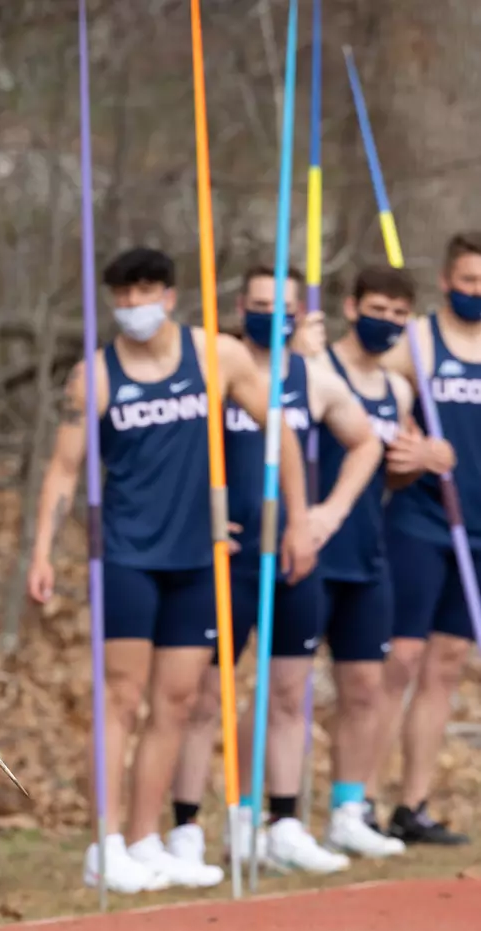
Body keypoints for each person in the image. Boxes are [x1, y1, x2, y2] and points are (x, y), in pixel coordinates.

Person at [29, 246, 315, 894]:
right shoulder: (94, 376)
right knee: (121, 698)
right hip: (129, 556)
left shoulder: (218, 357)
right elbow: (63, 470)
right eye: (122, 296)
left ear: (169, 293)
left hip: (199, 558)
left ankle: (143, 837)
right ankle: (103, 845)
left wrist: (298, 519)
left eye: (145, 292)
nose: (133, 306)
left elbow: (283, 437)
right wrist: (43, 549)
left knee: (178, 701)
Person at [167, 264, 382, 877]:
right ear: (241, 306)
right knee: (206, 696)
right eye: (260, 304)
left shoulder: (312, 379)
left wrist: (323, 517)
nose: (272, 316)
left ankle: (282, 822)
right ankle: (186, 828)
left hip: (291, 557)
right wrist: (197, 522)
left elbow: (366, 444)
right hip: (220, 558)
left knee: (290, 693)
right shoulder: (214, 369)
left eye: (284, 307)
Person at [308, 265, 425, 858]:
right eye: (378, 309)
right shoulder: (316, 368)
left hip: (367, 552)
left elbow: (394, 473)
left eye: (401, 314)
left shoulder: (399, 390)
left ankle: (348, 809)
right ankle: (262, 813)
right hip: (310, 549)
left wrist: (420, 458)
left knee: (363, 688)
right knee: (286, 689)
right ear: (352, 307)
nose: (388, 322)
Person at [370, 232, 481, 846]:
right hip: (420, 519)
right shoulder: (416, 342)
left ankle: (412, 806)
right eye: (468, 283)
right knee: (400, 661)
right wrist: (410, 453)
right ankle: (355, 800)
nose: (476, 294)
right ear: (446, 281)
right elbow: (362, 388)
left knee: (445, 666)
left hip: (479, 528)